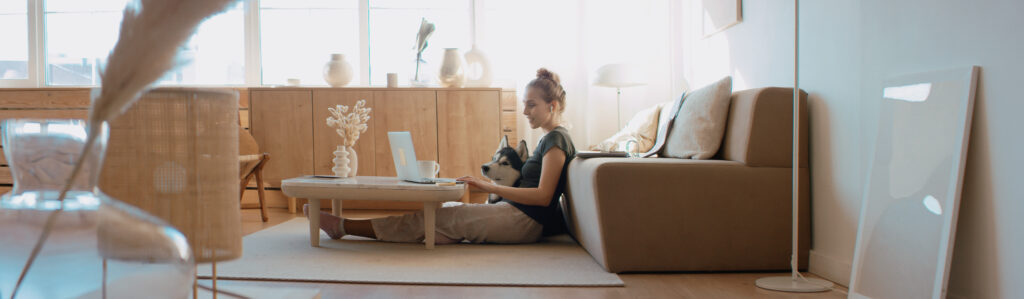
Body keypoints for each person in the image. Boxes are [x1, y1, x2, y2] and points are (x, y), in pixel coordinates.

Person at [305, 68, 575, 244]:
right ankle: (440, 234)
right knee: (442, 215)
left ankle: (343, 226)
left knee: (435, 218)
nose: (526, 111)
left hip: (523, 222)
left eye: (531, 105)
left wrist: (487, 186)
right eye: (524, 104)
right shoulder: (550, 139)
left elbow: (543, 196)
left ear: (551, 106)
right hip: (517, 215)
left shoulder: (556, 140)